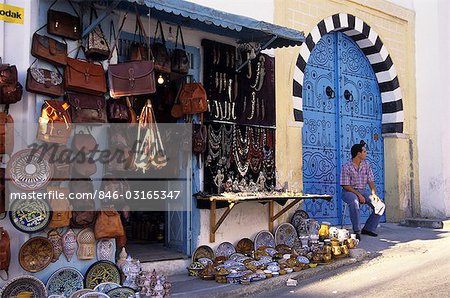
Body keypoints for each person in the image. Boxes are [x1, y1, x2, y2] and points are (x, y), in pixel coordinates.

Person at [340, 142, 381, 240]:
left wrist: (373, 193)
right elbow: (346, 185)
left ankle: (368, 228)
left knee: (380, 205)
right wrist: (358, 195)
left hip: (363, 191)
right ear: (358, 153)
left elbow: (370, 180)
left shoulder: (366, 165)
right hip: (349, 192)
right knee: (355, 202)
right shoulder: (346, 167)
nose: (366, 153)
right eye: (364, 151)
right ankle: (357, 231)